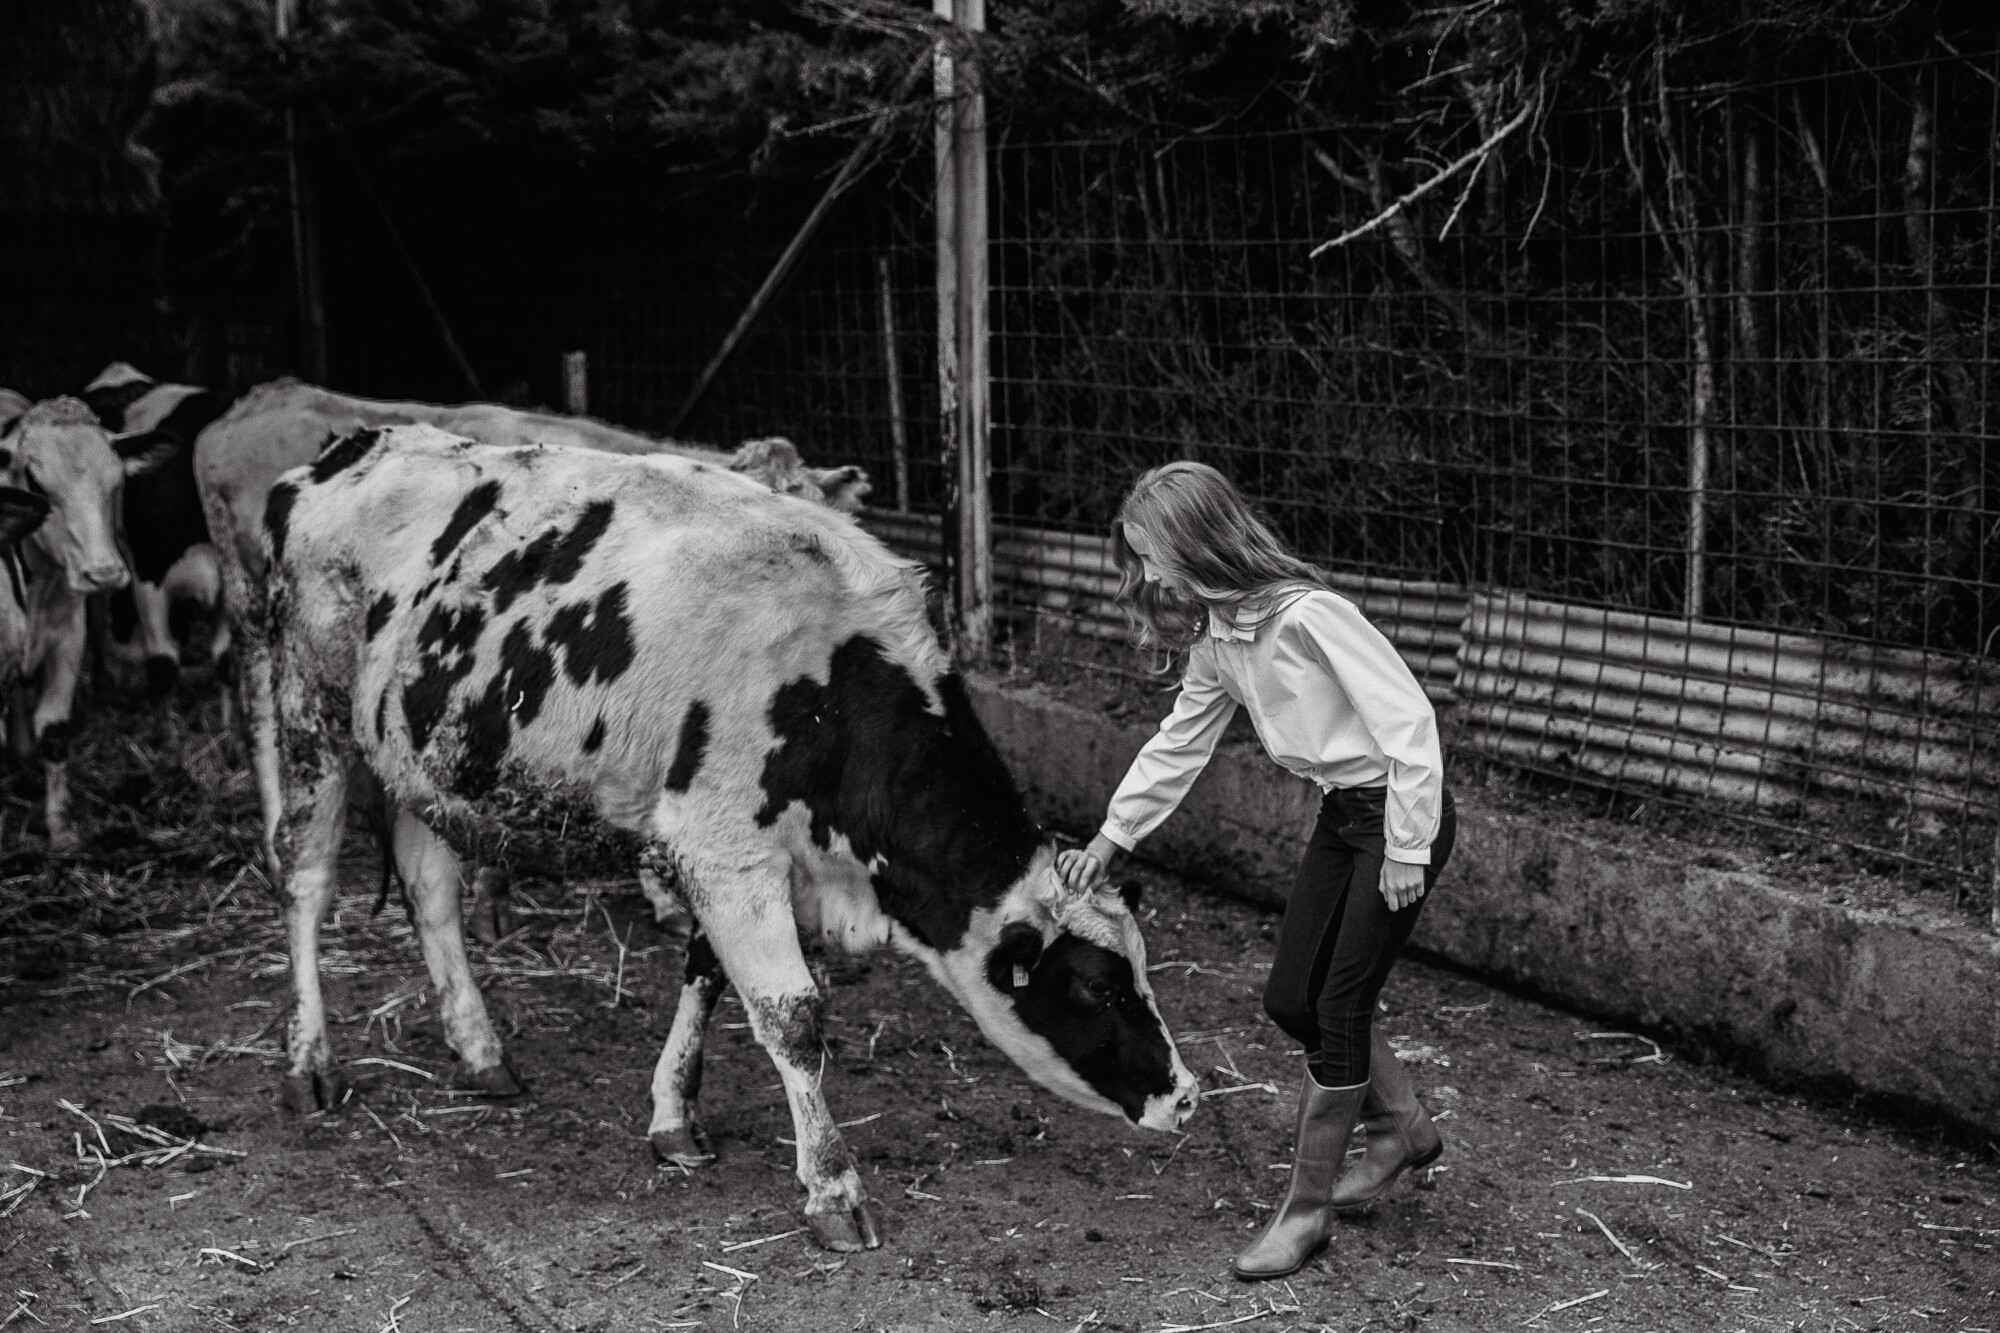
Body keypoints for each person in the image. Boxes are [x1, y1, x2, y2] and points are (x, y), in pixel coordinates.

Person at [1055, 461, 1456, 1282]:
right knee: (1289, 998)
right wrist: (1111, 838)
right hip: (1343, 815)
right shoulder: (1218, 637)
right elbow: (1180, 742)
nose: (1150, 575)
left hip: (1396, 814)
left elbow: (1409, 719)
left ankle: (1305, 1213)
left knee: (1340, 1003)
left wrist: (1409, 845)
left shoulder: (1311, 616)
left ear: (1196, 540)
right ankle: (1404, 1126)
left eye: (1153, 554)